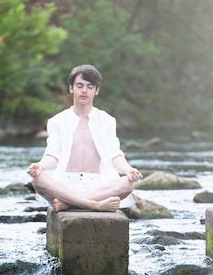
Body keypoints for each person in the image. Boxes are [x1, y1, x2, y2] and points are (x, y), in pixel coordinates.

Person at [27, 64, 143, 213]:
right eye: (79, 85)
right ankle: (93, 205)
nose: (84, 91)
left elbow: (114, 154)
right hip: (65, 185)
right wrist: (40, 166)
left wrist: (129, 170)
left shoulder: (107, 120)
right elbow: (53, 153)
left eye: (89, 86)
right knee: (38, 180)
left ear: (97, 90)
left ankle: (70, 204)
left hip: (98, 185)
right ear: (71, 88)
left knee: (128, 184)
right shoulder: (57, 121)